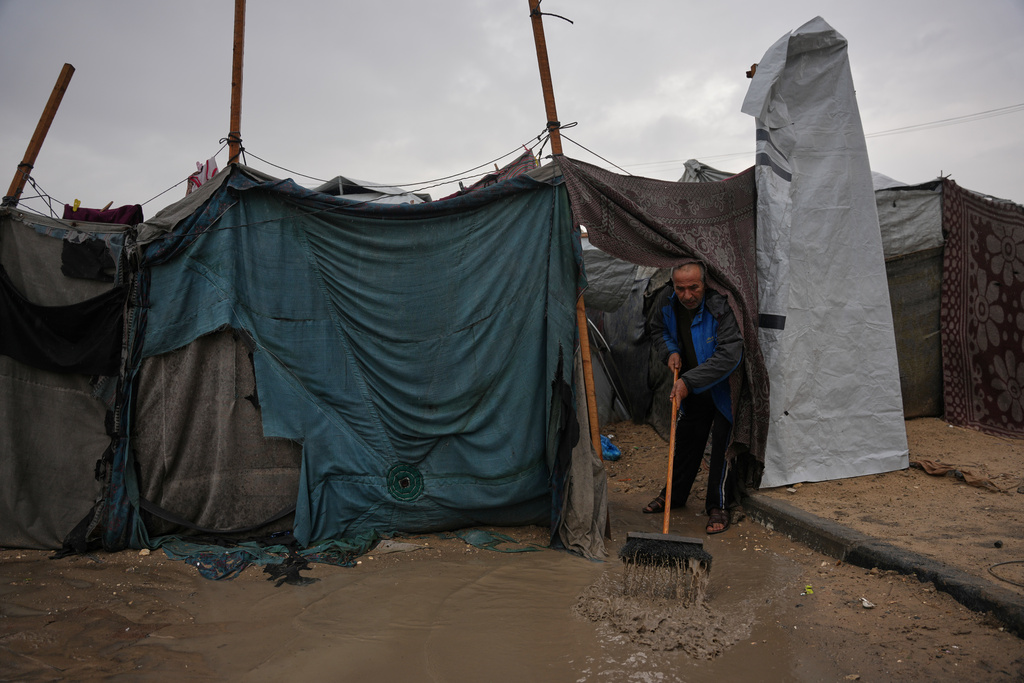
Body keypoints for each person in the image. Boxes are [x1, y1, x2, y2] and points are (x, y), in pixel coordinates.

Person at [643, 262, 743, 534]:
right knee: (686, 439)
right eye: (681, 288)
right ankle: (674, 496)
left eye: (694, 288)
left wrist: (688, 380)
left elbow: (729, 355)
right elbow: (658, 330)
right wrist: (670, 351)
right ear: (673, 285)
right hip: (692, 383)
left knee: (724, 447)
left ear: (705, 283)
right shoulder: (667, 299)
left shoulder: (721, 304)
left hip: (723, 385)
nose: (687, 295)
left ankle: (718, 506)